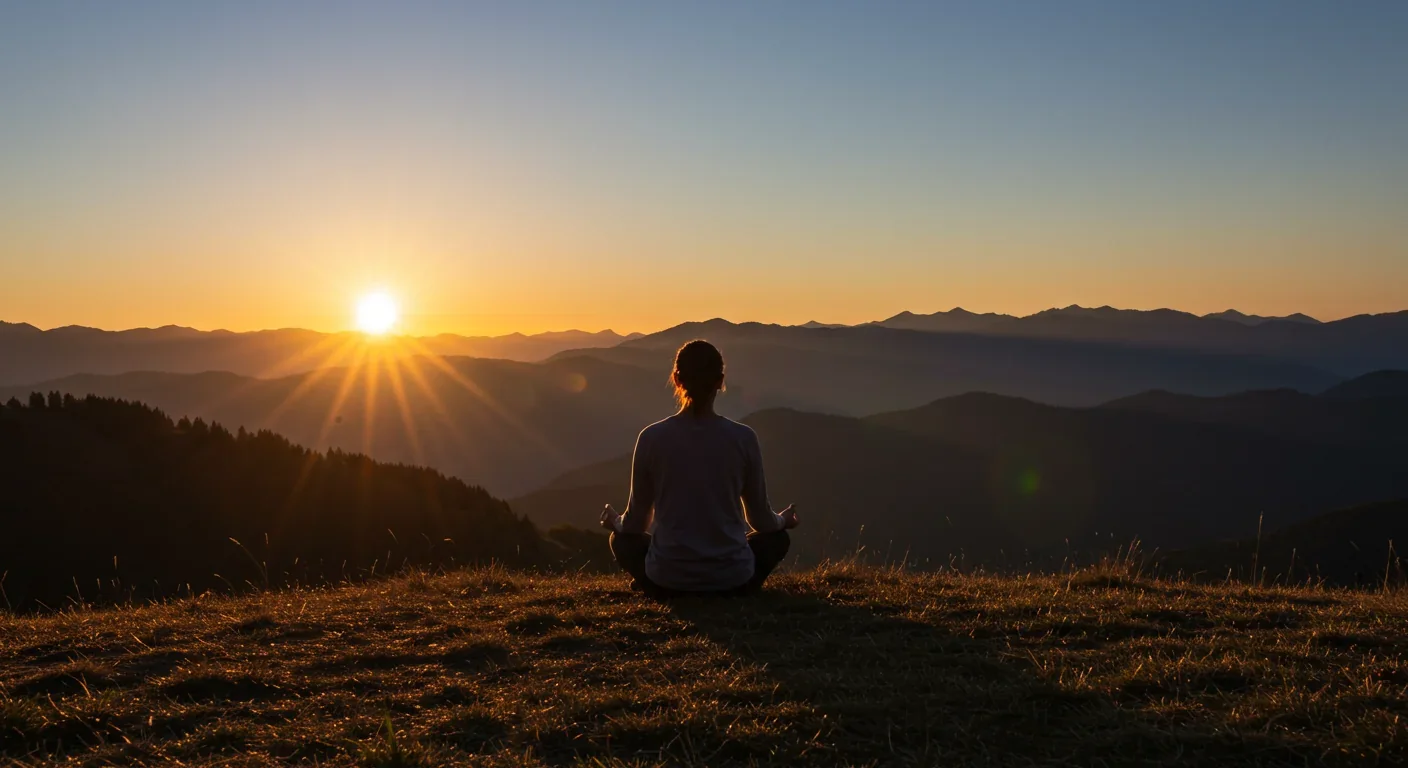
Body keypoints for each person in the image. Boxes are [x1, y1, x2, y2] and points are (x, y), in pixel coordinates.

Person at [599, 339, 800, 597]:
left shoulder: (651, 438)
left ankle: (655, 585)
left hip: (669, 577)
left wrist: (616, 521)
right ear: (720, 381)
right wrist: (784, 520)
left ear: (677, 379)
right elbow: (760, 521)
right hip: (731, 579)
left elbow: (637, 524)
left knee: (621, 540)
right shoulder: (743, 438)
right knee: (777, 539)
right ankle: (736, 589)